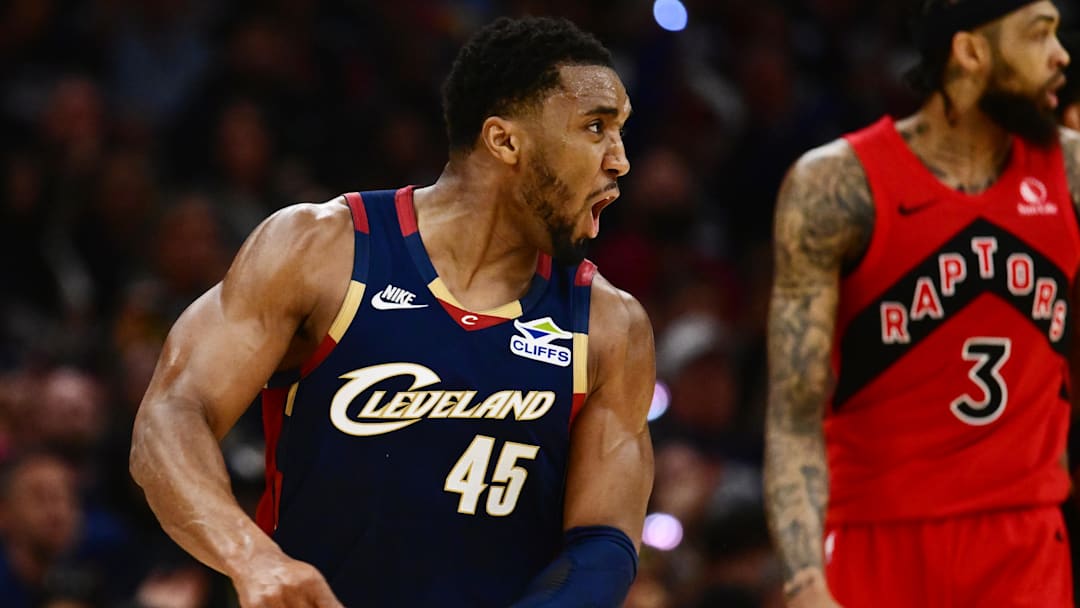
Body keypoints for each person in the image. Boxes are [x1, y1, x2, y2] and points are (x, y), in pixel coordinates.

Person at [129, 15, 654, 608]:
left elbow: (602, 546)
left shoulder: (608, 323)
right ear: (505, 141)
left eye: (620, 131)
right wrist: (251, 557)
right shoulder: (322, 249)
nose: (619, 160)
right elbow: (169, 418)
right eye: (595, 127)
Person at [764, 1, 1076, 607]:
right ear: (970, 51)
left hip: (1024, 540)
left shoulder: (1071, 170)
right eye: (1039, 35)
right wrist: (804, 583)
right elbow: (793, 414)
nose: (1061, 56)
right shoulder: (836, 185)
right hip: (876, 534)